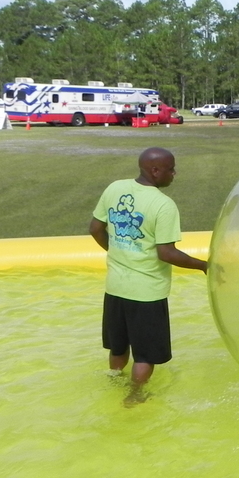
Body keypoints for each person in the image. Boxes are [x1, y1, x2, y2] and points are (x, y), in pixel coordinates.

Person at [89, 147, 208, 405]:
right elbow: (166, 253)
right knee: (145, 355)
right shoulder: (163, 205)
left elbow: (96, 228)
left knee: (118, 346)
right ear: (155, 170)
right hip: (146, 293)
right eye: (171, 168)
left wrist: (118, 250)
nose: (174, 173)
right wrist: (203, 265)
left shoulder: (114, 188)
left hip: (115, 288)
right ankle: (135, 394)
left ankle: (113, 381)